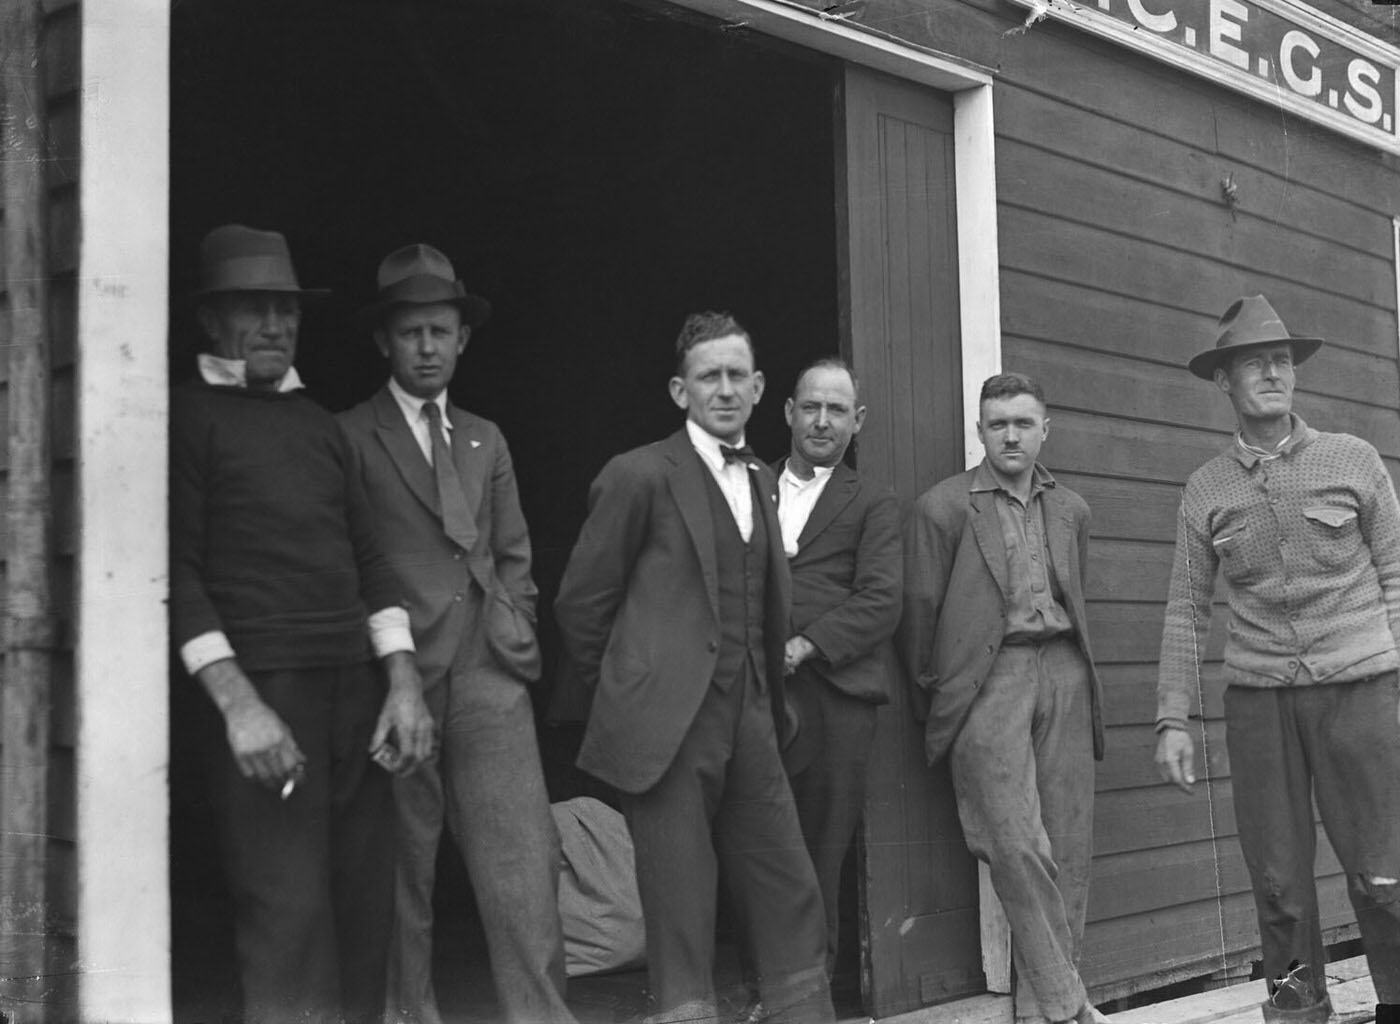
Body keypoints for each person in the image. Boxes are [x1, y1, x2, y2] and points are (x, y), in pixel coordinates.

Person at [170, 224, 435, 1024]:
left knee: (363, 915)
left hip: (356, 701)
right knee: (287, 921)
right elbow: (172, 574)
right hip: (264, 700)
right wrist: (239, 707)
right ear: (213, 322)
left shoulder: (319, 425)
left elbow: (372, 560)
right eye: (254, 310)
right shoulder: (186, 419)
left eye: (285, 310)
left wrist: (403, 682)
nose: (276, 326)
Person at [554, 311, 835, 1024]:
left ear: (760, 385)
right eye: (708, 376)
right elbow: (582, 604)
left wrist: (767, 697)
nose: (725, 388)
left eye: (737, 374)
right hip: (667, 726)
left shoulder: (765, 481)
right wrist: (631, 694)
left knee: (787, 882)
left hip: (753, 716)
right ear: (681, 391)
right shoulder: (639, 475)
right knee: (680, 901)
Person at [338, 244, 574, 1024]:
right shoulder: (349, 437)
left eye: (442, 331)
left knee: (523, 870)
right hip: (397, 679)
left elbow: (514, 556)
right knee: (402, 873)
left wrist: (513, 633)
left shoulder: (485, 438)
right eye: (412, 334)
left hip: (488, 673)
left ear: (463, 338)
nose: (429, 347)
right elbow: (353, 562)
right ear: (384, 341)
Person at [1155, 295, 1400, 1024]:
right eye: (1254, 363)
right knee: (1279, 886)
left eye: (1282, 361)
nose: (1272, 373)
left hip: (1362, 697)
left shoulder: (1352, 460)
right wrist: (1172, 716)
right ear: (1224, 382)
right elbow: (1184, 608)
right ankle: (1299, 1014)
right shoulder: (1206, 489)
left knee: (1384, 874)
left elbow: (1397, 572)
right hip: (1260, 707)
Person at [898, 372, 1107, 1024]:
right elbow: (919, 619)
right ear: (979, 430)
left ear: (1045, 428)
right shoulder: (945, 507)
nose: (1010, 435)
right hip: (990, 681)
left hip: (1066, 671)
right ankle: (1067, 1002)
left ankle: (1036, 1008)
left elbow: (1081, 594)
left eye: (1022, 422)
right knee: (1016, 843)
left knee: (1068, 846)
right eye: (997, 423)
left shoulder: (1072, 509)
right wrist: (943, 703)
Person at [773, 357, 901, 975]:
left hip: (834, 693)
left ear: (859, 421)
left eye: (837, 410)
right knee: (759, 844)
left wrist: (802, 646)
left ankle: (808, 1000)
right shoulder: (748, 488)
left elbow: (881, 601)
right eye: (812, 407)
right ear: (789, 412)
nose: (822, 421)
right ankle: (764, 985)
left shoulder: (873, 502)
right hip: (754, 693)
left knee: (821, 850)